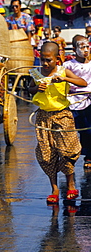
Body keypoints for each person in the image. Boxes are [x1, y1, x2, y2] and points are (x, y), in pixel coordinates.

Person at [28, 41, 87, 204]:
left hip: (62, 116)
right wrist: (35, 89)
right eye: (42, 60)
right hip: (43, 117)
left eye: (49, 60)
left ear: (57, 59)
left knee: (68, 150)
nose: (45, 63)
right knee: (46, 153)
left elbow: (83, 83)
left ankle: (71, 184)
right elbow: (29, 89)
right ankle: (54, 188)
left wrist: (65, 79)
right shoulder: (36, 73)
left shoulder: (63, 71)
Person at [63, 35, 91, 169]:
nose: (85, 50)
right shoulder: (68, 65)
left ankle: (89, 156)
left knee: (88, 131)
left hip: (89, 100)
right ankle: (68, 157)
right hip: (72, 101)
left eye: (87, 46)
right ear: (74, 49)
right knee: (69, 131)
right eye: (82, 47)